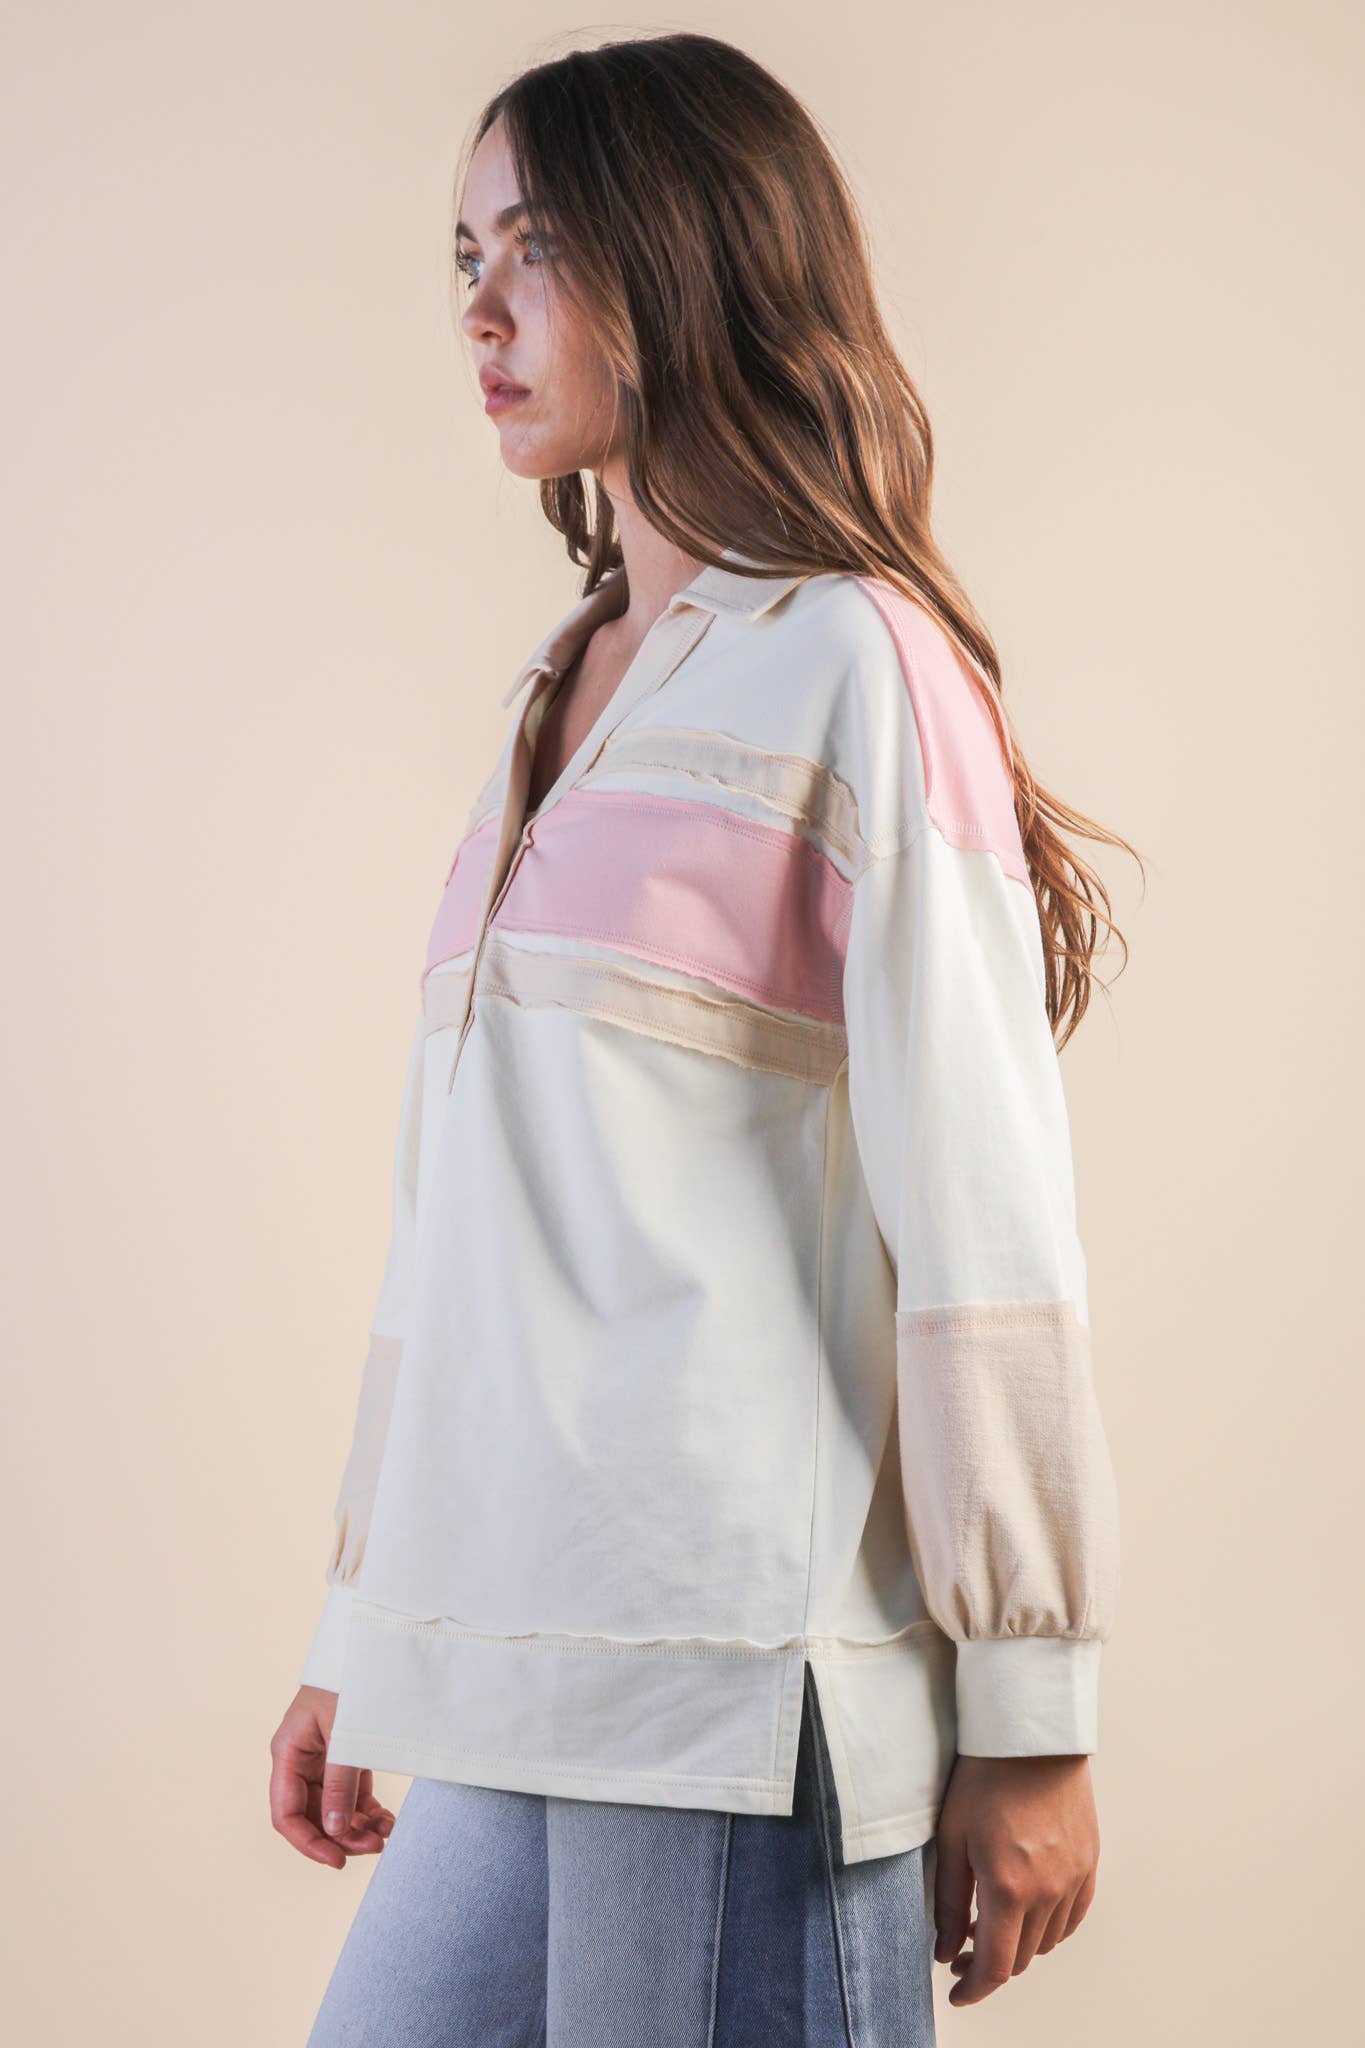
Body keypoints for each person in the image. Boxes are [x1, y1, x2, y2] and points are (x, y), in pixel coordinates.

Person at [269, 32, 1135, 2044]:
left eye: (540, 248)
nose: (480, 308)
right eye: (465, 253)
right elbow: (456, 1232)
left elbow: (985, 1221)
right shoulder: (553, 695)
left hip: (739, 1690)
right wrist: (365, 1622)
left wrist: (1031, 1711)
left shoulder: (852, 661)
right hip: (502, 1666)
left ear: (683, 264)